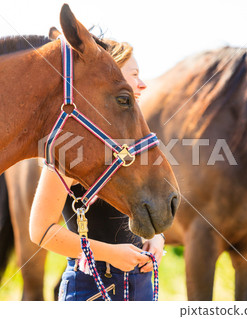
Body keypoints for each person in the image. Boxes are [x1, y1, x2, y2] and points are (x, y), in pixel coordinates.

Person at [29, 39, 165, 301]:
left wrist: (157, 238)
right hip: (91, 289)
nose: (143, 84)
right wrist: (111, 254)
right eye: (134, 75)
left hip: (140, 285)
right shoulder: (71, 150)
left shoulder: (132, 147)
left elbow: (136, 207)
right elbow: (41, 231)